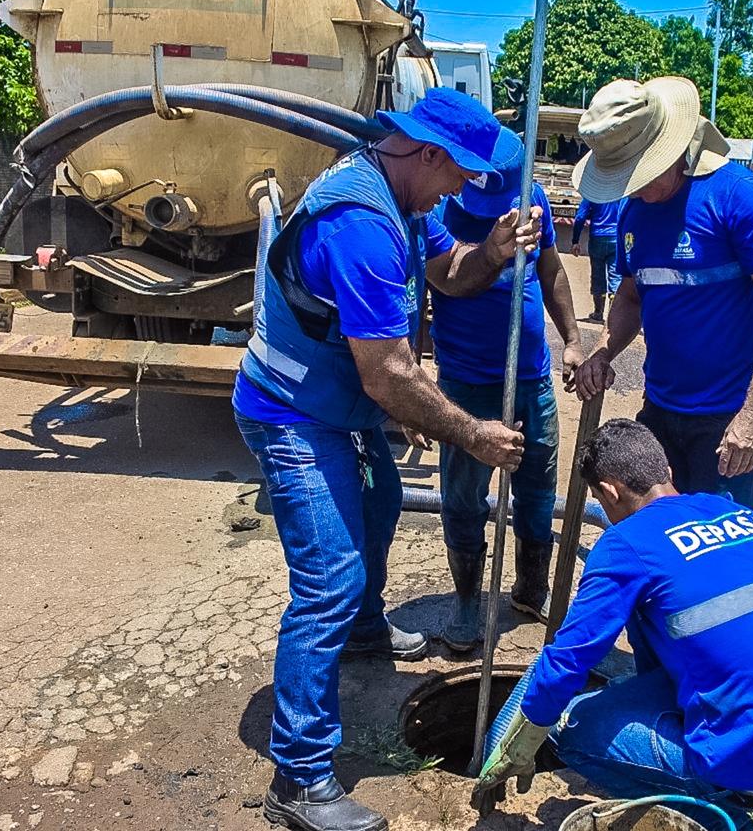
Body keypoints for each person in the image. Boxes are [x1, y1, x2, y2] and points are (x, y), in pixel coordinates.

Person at [234, 88, 543, 831]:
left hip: (343, 409)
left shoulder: (405, 200)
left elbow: (450, 273)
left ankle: (365, 630)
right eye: (461, 176)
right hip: (294, 414)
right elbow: (391, 374)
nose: (463, 191)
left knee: (378, 507)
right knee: (327, 579)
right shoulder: (362, 224)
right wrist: (471, 433)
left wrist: (495, 251)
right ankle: (300, 780)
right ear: (430, 155)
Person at [473, 419, 753, 830]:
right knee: (661, 628)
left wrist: (522, 740)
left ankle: (719, 816)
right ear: (667, 471)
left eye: (599, 497)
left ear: (608, 492)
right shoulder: (733, 511)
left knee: (569, 726)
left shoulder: (626, 544)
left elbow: (569, 661)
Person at [571, 78, 753, 513]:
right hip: (660, 411)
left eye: (638, 173)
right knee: (659, 539)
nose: (631, 188)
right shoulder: (634, 213)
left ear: (672, 150)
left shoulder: (736, 196)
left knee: (720, 547)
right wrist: (603, 352)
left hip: (726, 423)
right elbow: (631, 297)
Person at [420, 128, 584, 651]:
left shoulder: (531, 197)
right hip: (467, 385)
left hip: (530, 378)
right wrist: (414, 370)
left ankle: (530, 588)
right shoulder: (439, 210)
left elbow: (552, 270)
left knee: (538, 489)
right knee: (464, 499)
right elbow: (430, 287)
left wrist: (574, 340)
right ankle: (469, 603)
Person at [571, 196, 622, 323]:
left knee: (597, 275)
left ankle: (598, 312)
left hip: (597, 238)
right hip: (616, 238)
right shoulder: (620, 193)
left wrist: (575, 240)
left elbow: (580, 217)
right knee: (615, 277)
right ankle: (614, 316)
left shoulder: (592, 194)